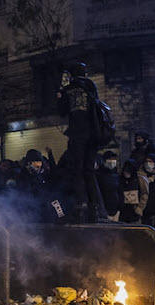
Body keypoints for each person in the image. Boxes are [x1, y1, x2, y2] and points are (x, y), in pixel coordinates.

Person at [57, 62, 105, 222]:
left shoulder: (68, 89)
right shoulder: (90, 86)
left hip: (77, 134)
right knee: (89, 171)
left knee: (77, 170)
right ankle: (95, 208)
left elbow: (62, 111)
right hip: (93, 134)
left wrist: (60, 95)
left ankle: (81, 206)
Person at [96, 151, 121, 222]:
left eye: (114, 159)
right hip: (104, 211)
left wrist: (118, 211)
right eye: (110, 159)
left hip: (115, 211)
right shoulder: (99, 175)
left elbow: (120, 192)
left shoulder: (116, 175)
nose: (112, 161)